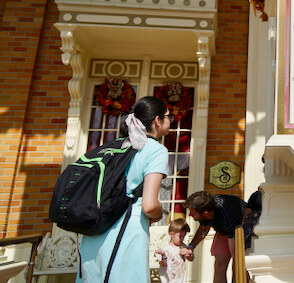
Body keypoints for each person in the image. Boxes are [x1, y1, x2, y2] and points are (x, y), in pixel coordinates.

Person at [77, 96, 171, 282]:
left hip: (96, 231)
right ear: (157, 120)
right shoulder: (156, 150)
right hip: (127, 232)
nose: (170, 121)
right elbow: (149, 205)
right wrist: (159, 214)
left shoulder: (115, 146)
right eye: (169, 117)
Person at [181, 191, 246, 283]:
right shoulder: (205, 208)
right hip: (222, 231)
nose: (189, 215)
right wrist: (191, 246)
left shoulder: (227, 214)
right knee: (219, 264)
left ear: (206, 213)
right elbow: (204, 228)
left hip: (239, 231)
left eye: (192, 212)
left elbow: (236, 256)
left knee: (237, 266)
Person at [155, 218, 191, 283]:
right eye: (180, 236)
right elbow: (164, 265)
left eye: (184, 236)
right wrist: (164, 255)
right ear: (171, 234)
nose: (182, 239)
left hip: (181, 280)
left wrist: (189, 253)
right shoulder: (166, 249)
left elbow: (191, 258)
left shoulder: (183, 247)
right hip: (169, 280)